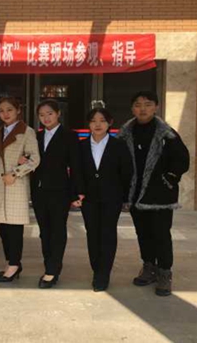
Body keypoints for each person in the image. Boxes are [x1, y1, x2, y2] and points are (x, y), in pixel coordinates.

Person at [117, 91, 190, 297]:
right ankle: (149, 266)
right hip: (135, 194)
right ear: (132, 109)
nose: (143, 109)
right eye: (138, 104)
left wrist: (169, 179)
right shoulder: (124, 134)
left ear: (156, 107)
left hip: (160, 195)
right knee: (143, 233)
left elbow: (182, 159)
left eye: (148, 104)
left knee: (161, 234)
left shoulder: (167, 134)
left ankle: (165, 272)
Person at [30, 99, 84, 289]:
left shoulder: (69, 136)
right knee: (44, 231)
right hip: (38, 191)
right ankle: (49, 264)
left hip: (60, 191)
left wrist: (77, 192)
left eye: (50, 113)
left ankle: (52, 269)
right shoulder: (36, 136)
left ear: (58, 113)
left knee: (58, 230)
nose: (46, 118)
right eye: (42, 115)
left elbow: (76, 165)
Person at [79, 108, 133, 292]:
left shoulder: (119, 145)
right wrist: (77, 193)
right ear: (89, 124)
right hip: (88, 198)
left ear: (110, 123)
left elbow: (126, 172)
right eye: (93, 120)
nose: (98, 124)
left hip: (112, 198)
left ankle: (103, 274)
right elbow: (77, 172)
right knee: (92, 233)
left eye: (102, 120)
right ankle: (96, 269)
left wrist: (125, 197)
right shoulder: (82, 146)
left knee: (108, 234)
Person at [0, 97, 40, 283]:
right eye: (1, 110)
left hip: (16, 184)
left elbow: (34, 159)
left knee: (14, 228)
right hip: (0, 185)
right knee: (2, 227)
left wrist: (16, 173)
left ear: (18, 110)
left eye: (9, 109)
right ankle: (10, 263)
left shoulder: (27, 132)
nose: (5, 114)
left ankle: (14, 263)